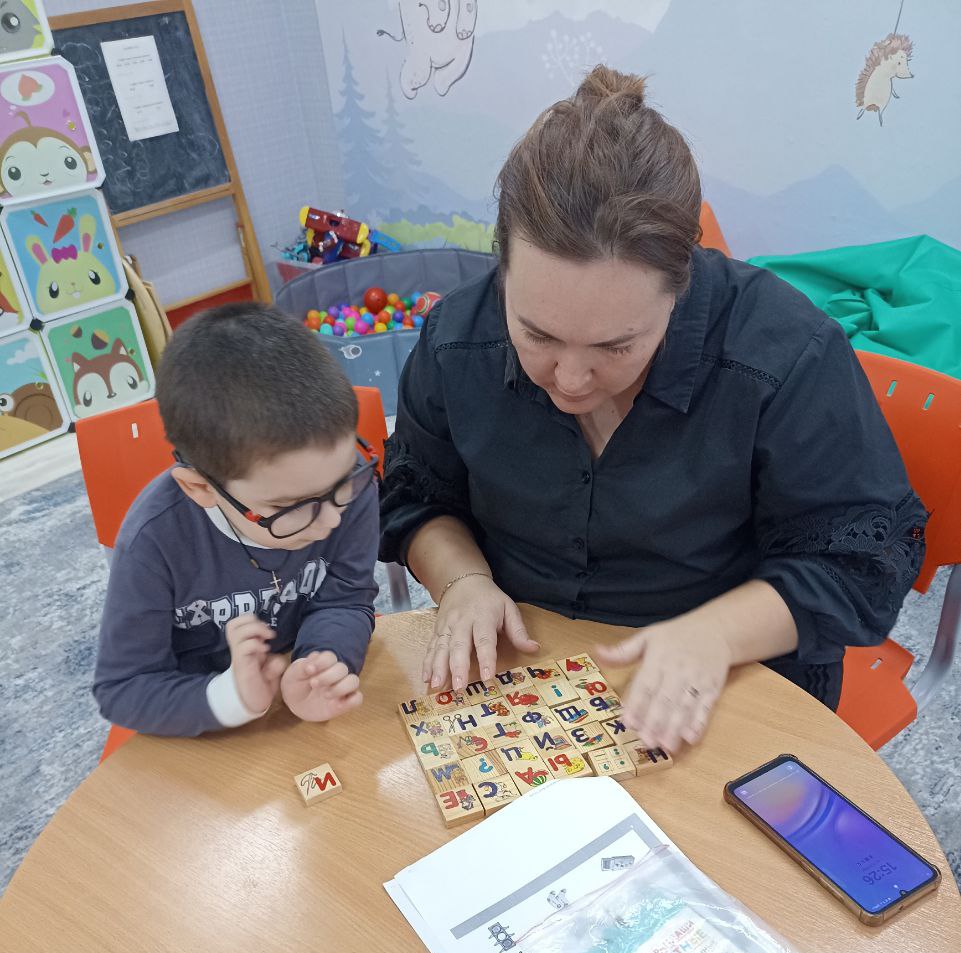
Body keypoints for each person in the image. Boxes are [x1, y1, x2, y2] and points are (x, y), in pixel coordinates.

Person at [379, 66, 925, 752]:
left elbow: (858, 564)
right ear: (503, 271)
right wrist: (461, 581)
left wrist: (714, 634)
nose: (569, 379)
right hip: (523, 658)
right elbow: (417, 493)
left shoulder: (783, 355)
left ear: (681, 284)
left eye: (616, 346)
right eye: (537, 335)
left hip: (731, 673)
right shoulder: (458, 337)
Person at [94, 303, 378, 737]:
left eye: (343, 482)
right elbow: (124, 688)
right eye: (289, 507)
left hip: (299, 706)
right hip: (199, 719)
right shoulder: (155, 541)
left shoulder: (344, 486)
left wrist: (320, 664)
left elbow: (346, 599)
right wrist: (231, 698)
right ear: (200, 488)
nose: (330, 522)